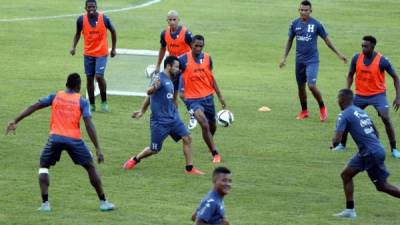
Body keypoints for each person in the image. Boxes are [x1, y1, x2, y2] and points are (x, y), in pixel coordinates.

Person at [5, 73, 115, 212]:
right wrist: (98, 148)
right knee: (90, 167)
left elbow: (34, 106)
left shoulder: (55, 96)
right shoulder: (82, 101)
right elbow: (89, 125)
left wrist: (15, 120)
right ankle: (103, 202)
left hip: (55, 138)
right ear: (78, 86)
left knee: (44, 166)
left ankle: (45, 204)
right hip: (74, 140)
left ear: (66, 85)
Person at [122, 56, 204, 175]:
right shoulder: (159, 77)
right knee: (154, 149)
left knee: (187, 138)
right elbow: (149, 92)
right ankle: (135, 159)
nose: (178, 69)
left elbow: (154, 96)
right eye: (176, 67)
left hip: (173, 118)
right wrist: (143, 108)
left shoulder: (171, 79)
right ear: (168, 66)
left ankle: (189, 168)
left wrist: (143, 110)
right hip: (160, 122)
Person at [332, 89, 400, 219]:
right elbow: (375, 131)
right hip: (372, 150)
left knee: (382, 186)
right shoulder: (361, 111)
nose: (337, 101)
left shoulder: (344, 114)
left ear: (342, 100)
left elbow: (337, 141)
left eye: (338, 99)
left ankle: (350, 211)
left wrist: (333, 144)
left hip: (370, 152)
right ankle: (350, 210)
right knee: (346, 175)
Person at [279, 0, 347, 121]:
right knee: (300, 87)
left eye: (306, 10)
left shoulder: (316, 24)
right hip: (299, 61)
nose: (303, 12)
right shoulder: (294, 24)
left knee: (311, 85)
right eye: (301, 10)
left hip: (312, 61)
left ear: (310, 11)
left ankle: (322, 108)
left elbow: (327, 40)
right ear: (298, 10)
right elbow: (289, 40)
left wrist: (339, 54)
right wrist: (284, 57)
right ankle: (304, 111)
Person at [333, 35, 400, 158]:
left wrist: (398, 97)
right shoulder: (356, 58)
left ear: (373, 47)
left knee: (385, 117)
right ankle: (342, 144)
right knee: (348, 115)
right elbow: (350, 75)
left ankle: (394, 149)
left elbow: (396, 77)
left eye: (366, 46)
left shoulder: (382, 61)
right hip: (360, 95)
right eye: (362, 46)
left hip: (377, 95)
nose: (363, 48)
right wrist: (347, 91)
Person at [179, 34, 227, 163]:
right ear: (191, 45)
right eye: (196, 46)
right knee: (204, 124)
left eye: (201, 46)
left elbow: (211, 78)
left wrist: (220, 96)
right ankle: (215, 153)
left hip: (208, 97)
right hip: (192, 99)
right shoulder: (183, 60)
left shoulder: (207, 58)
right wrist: (178, 94)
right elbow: (176, 77)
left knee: (212, 126)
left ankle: (209, 141)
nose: (198, 48)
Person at [153, 10, 197, 129]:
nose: (172, 22)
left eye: (174, 20)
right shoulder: (164, 34)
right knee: (172, 95)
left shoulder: (186, 34)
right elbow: (162, 49)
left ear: (178, 20)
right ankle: (175, 119)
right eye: (170, 20)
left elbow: (196, 49)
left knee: (182, 94)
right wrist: (158, 65)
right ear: (167, 20)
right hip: (172, 69)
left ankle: (193, 114)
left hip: (185, 68)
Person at [70, 0, 117, 112]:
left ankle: (104, 102)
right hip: (88, 53)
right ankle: (91, 104)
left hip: (101, 53)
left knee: (99, 77)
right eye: (89, 6)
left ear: (96, 7)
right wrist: (73, 47)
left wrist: (114, 49)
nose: (91, 8)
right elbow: (77, 33)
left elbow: (113, 31)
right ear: (85, 7)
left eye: (93, 6)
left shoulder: (104, 18)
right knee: (89, 78)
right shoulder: (81, 20)